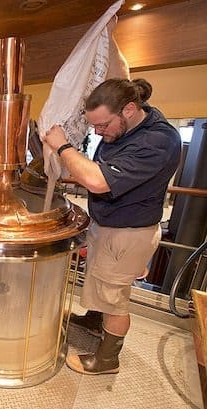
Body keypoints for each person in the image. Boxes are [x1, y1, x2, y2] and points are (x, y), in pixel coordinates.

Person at [43, 78, 181, 375]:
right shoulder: (125, 129)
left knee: (115, 298)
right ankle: (96, 321)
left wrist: (63, 146)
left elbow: (97, 180)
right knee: (102, 283)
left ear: (129, 109)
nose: (98, 132)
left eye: (103, 125)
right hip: (109, 225)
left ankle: (107, 360)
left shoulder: (157, 141)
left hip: (128, 233)